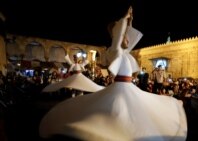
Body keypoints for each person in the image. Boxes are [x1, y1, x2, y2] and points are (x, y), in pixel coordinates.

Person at [39, 6, 187, 141]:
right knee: (118, 114)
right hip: (120, 88)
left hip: (128, 88)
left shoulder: (125, 51)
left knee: (134, 115)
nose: (128, 39)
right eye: (125, 36)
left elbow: (130, 37)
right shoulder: (115, 50)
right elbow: (117, 37)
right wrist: (124, 18)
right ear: (119, 37)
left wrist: (129, 22)